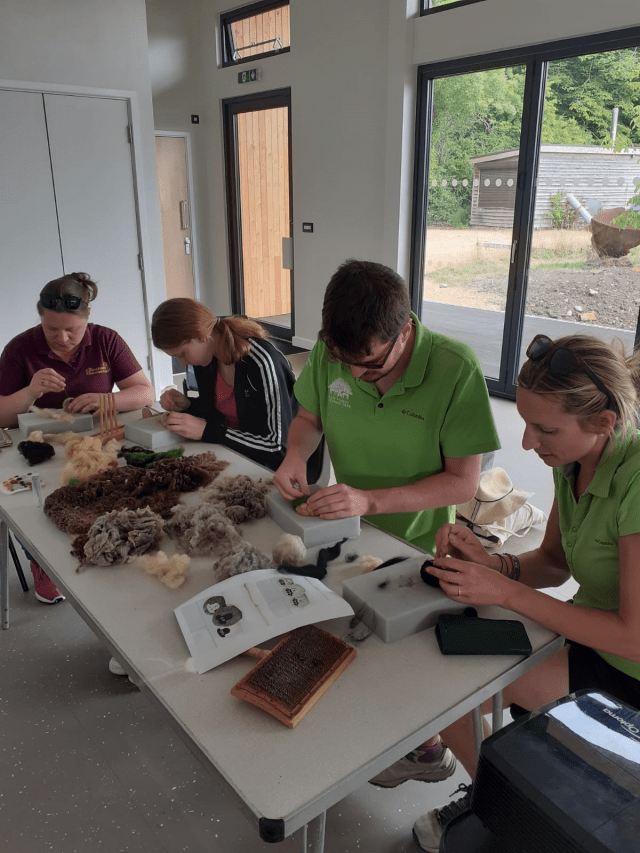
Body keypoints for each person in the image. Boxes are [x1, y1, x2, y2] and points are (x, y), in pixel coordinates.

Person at [273, 258, 500, 786]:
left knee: (415, 665)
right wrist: (292, 457)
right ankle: (400, 740)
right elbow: (309, 418)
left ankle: (427, 750)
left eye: (370, 364)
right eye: (341, 359)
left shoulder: (454, 367)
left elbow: (463, 483)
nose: (353, 373)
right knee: (355, 643)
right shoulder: (338, 351)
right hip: (348, 533)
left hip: (420, 543)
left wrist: (371, 502)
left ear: (405, 333)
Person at [411, 333, 640, 852]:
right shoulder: (575, 462)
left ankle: (517, 805)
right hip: (591, 638)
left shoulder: (638, 480)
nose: (527, 443)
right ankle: (502, 798)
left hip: (629, 668)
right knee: (445, 692)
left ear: (603, 422)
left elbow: (634, 638)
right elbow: (555, 564)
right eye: (526, 422)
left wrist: (504, 591)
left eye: (545, 428)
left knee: (463, 692)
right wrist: (493, 564)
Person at [0, 272, 154, 609]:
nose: (63, 338)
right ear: (40, 320)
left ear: (87, 319)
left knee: (113, 493)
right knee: (28, 505)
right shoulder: (19, 348)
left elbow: (144, 392)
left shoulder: (105, 340)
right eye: (52, 330)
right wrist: (31, 391)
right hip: (38, 449)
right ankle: (41, 560)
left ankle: (102, 545)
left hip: (95, 445)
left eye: (73, 329)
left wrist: (108, 401)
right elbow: (1, 416)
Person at [151, 297, 298, 472]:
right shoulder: (206, 360)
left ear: (200, 336)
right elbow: (217, 413)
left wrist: (207, 432)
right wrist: (187, 405)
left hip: (272, 467)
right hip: (234, 453)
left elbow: (277, 448)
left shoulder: (262, 362)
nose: (182, 363)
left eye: (181, 355)